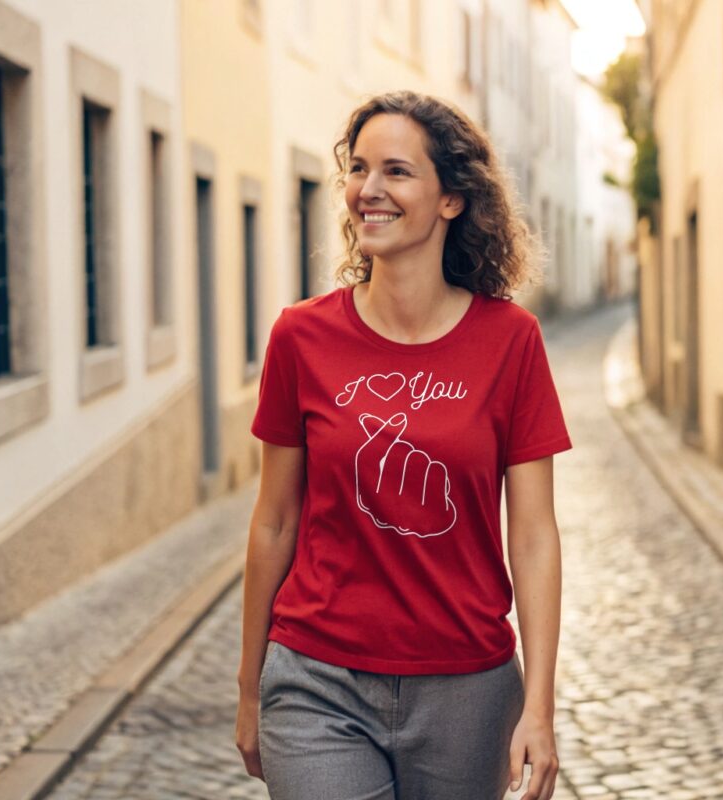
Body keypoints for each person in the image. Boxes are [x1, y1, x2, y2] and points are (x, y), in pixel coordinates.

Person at [235, 89, 572, 800]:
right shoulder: (301, 337)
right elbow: (274, 521)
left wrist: (538, 706)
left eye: (396, 171)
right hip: (316, 678)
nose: (369, 191)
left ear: (451, 198)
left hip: (467, 695)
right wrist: (249, 688)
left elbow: (534, 534)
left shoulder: (511, 342)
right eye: (358, 169)